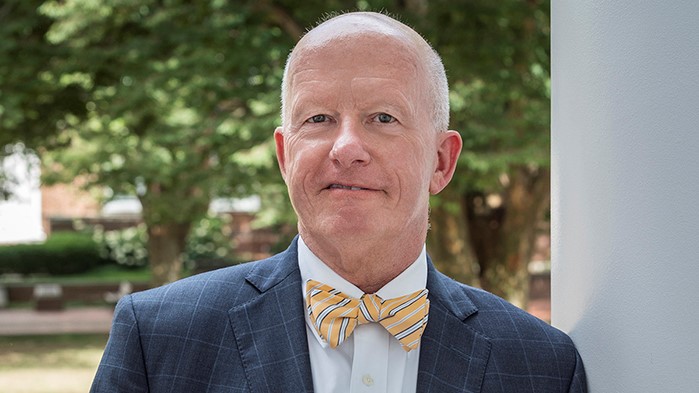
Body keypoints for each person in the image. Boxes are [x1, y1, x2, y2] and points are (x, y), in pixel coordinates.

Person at [91, 11, 587, 393]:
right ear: (285, 157)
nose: (346, 147)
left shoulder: (540, 364)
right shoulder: (158, 340)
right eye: (319, 118)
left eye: (383, 118)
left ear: (441, 161)